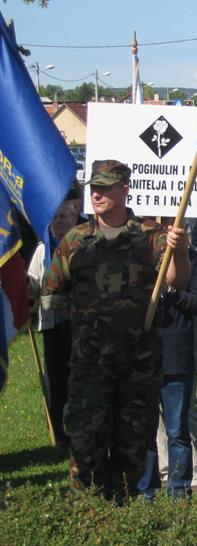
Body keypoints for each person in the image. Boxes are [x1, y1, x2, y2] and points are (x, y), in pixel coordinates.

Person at [41, 159, 189, 502]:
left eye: (105, 188)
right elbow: (51, 294)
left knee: (132, 447)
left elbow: (177, 281)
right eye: (94, 188)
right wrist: (88, 320)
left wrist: (179, 251)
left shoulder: (151, 236)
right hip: (89, 365)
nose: (97, 195)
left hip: (137, 365)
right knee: (85, 444)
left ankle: (122, 515)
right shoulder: (76, 239)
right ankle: (90, 513)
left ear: (124, 190)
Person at [138, 244, 197, 499]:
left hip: (177, 357)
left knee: (178, 429)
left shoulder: (191, 258)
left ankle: (179, 489)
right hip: (143, 356)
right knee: (145, 429)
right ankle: (147, 490)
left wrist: (172, 292)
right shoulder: (136, 255)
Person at [27, 183, 84, 449]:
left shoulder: (86, 246)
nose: (60, 221)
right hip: (54, 325)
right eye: (56, 217)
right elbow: (33, 283)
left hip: (82, 325)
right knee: (58, 379)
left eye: (65, 216)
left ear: (75, 216)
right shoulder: (43, 249)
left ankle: (82, 428)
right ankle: (60, 432)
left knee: (81, 378)